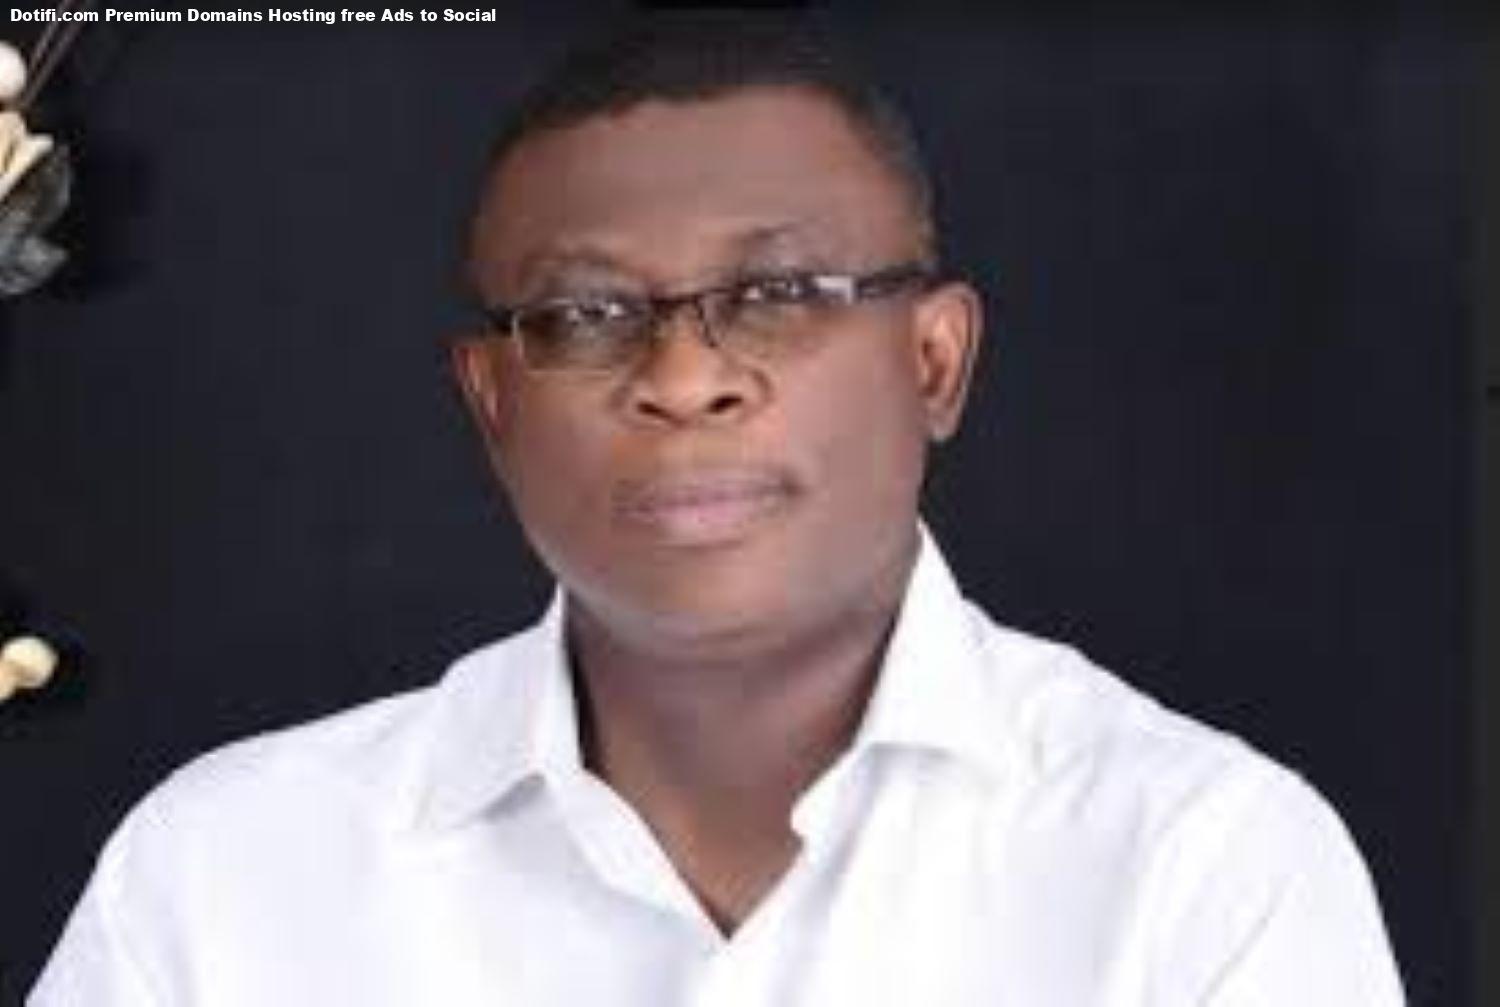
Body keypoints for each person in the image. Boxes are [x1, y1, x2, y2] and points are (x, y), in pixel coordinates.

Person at [31, 12, 1406, 1005]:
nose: (686, 380)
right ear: (491, 401)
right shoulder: (225, 877)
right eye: (585, 315)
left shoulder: (1201, 866)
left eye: (781, 294)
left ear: (936, 360)